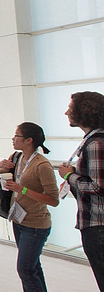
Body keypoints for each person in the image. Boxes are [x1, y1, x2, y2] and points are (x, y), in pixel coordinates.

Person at [0, 122, 59, 292]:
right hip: (19, 220)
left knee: (25, 269)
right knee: (32, 267)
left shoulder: (42, 165)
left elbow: (53, 199)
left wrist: (23, 189)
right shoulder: (16, 158)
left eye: (17, 136)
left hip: (36, 224)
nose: (13, 139)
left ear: (29, 140)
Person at [58, 91, 104, 290]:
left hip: (98, 225)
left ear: (84, 111)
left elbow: (98, 187)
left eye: (71, 107)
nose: (66, 112)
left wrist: (70, 176)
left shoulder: (95, 144)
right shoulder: (93, 140)